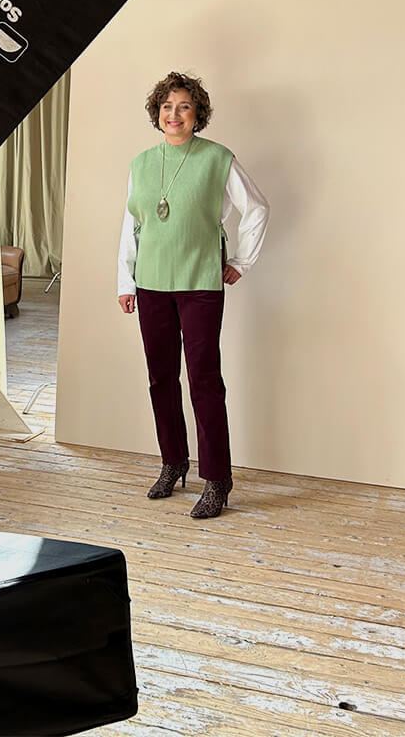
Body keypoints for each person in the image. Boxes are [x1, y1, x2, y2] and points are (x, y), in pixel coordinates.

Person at [117, 72, 269, 519]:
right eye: (166, 106)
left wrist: (240, 262)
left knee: (204, 380)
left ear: (197, 113)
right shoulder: (142, 163)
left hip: (200, 283)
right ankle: (173, 461)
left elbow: (257, 207)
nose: (174, 114)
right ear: (156, 113)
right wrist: (126, 283)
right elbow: (132, 226)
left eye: (183, 106)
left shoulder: (218, 159)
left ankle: (217, 479)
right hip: (150, 285)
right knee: (160, 378)